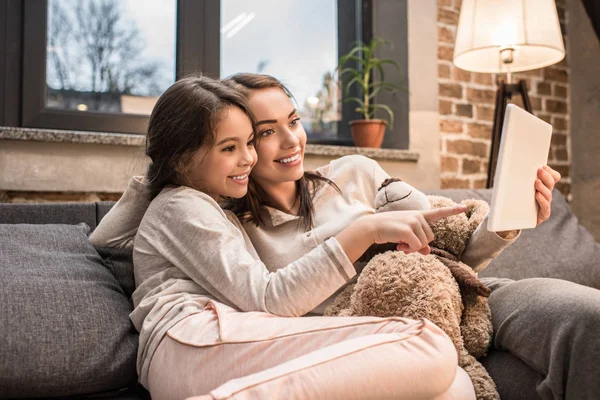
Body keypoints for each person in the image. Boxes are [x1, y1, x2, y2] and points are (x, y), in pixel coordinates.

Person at [91, 74, 477, 400]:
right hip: (193, 339)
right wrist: (367, 228)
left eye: (248, 143)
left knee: (454, 385)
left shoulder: (204, 207)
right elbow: (267, 298)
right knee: (429, 344)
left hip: (214, 340)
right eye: (230, 147)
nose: (247, 158)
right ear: (181, 156)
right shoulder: (182, 206)